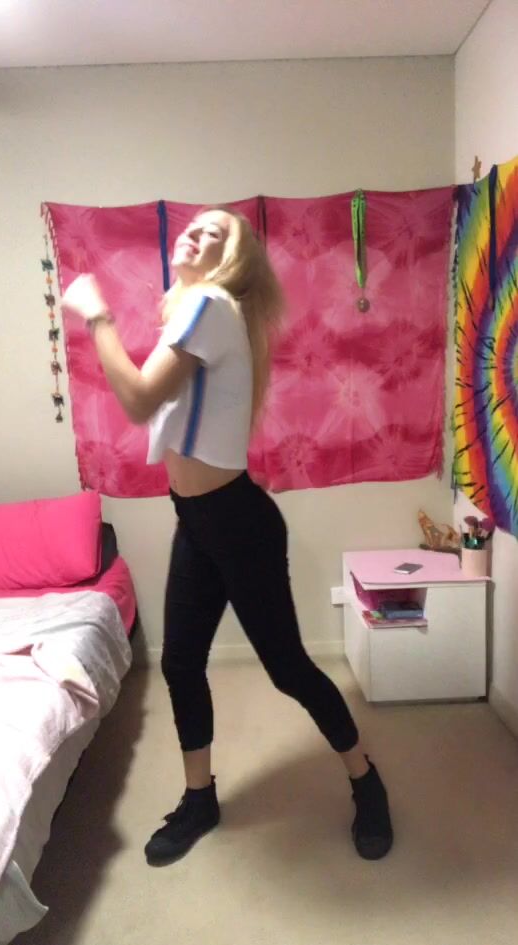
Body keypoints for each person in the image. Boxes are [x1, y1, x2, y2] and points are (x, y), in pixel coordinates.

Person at [62, 207, 393, 865]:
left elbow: (138, 400)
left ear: (233, 261)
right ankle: (199, 798)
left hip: (239, 525)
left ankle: (366, 780)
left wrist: (97, 316)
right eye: (193, 226)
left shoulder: (211, 304)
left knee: (287, 668)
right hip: (198, 520)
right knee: (181, 662)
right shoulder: (195, 312)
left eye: (215, 233)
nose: (194, 233)